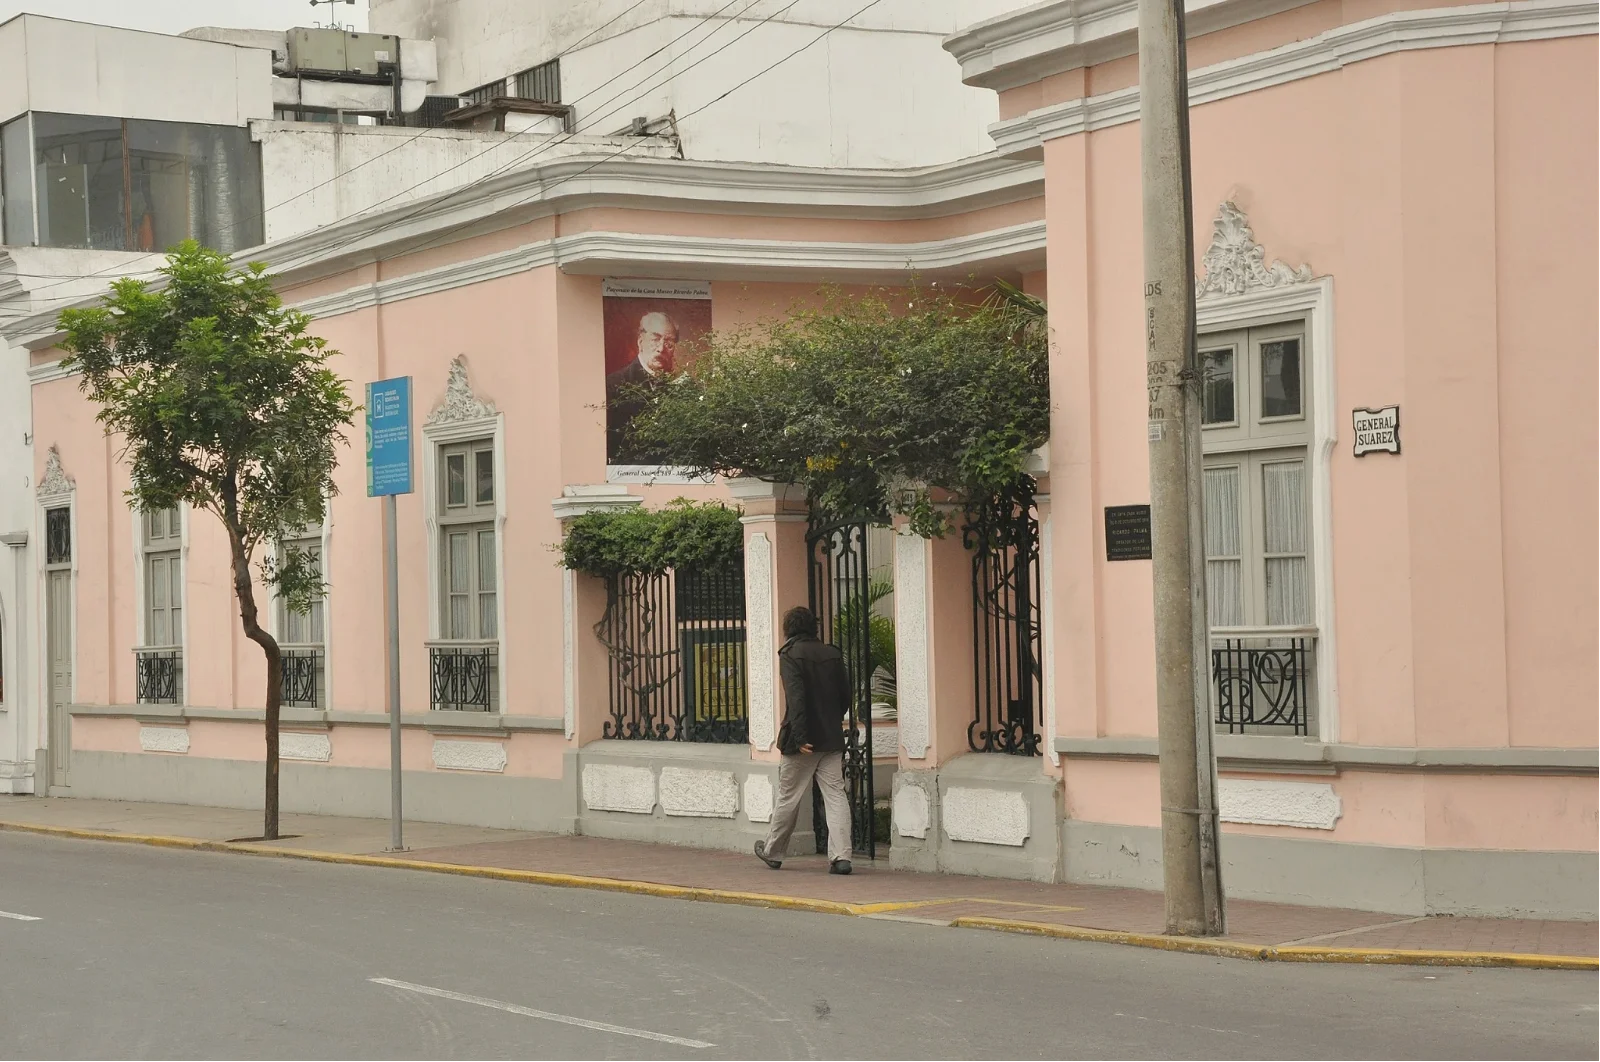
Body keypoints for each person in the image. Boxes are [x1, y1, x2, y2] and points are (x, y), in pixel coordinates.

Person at [754, 605, 856, 875]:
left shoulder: (790, 654)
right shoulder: (832, 654)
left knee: (788, 796)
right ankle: (842, 857)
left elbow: (796, 698)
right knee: (836, 795)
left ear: (788, 628)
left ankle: (773, 851)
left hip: (803, 742)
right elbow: (846, 695)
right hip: (831, 738)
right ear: (814, 627)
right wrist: (831, 720)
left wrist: (800, 737)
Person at [605, 311, 679, 460]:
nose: (661, 348)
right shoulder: (613, 385)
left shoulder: (682, 388)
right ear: (640, 342)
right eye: (655, 339)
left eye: (669, 343)